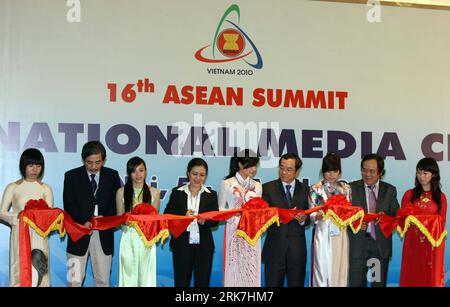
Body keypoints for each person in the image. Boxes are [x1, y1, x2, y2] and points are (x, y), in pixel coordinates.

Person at [63, 141, 121, 287]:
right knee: (73, 281)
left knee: (103, 281)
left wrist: (105, 220)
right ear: (83, 160)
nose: (94, 167)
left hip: (103, 236)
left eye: (98, 162)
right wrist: (84, 221)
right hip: (78, 234)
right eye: (89, 162)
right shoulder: (71, 176)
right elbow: (69, 205)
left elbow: (116, 205)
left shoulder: (112, 176)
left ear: (104, 160)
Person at [0, 148, 54, 287]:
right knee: (19, 268)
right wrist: (19, 217)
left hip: (40, 235)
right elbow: (2, 212)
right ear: (23, 166)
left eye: (38, 166)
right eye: (31, 165)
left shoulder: (45, 188)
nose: (34, 169)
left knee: (40, 269)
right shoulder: (13, 187)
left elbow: (50, 215)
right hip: (20, 234)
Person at [164, 158, 218, 287]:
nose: (198, 178)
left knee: (203, 282)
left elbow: (215, 219)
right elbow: (167, 213)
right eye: (195, 174)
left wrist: (205, 221)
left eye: (202, 175)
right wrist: (183, 216)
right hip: (182, 244)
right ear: (188, 173)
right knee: (181, 282)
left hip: (204, 246)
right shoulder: (177, 192)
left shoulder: (211, 194)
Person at [348, 153, 399, 287]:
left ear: (380, 172)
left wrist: (385, 218)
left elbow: (396, 216)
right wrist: (355, 223)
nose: (367, 174)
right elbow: (343, 217)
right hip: (357, 246)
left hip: (379, 247)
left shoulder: (390, 190)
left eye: (372, 171)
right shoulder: (350, 189)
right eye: (364, 170)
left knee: (378, 284)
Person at [262, 153, 309, 287]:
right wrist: (280, 216)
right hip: (275, 250)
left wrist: (302, 220)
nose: (284, 172)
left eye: (289, 169)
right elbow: (263, 218)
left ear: (297, 171)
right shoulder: (267, 188)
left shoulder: (306, 190)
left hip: (297, 251)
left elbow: (309, 219)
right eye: (281, 168)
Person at [399, 157, 447, 287]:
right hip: (413, 242)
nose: (421, 176)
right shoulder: (409, 195)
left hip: (432, 244)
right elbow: (402, 219)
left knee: (431, 276)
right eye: (419, 172)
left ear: (434, 175)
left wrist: (420, 220)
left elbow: (441, 223)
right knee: (412, 273)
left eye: (425, 173)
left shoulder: (440, 197)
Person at [219, 149, 262, 287]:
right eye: (250, 165)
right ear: (239, 164)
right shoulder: (227, 183)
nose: (253, 169)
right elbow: (220, 209)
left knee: (251, 267)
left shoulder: (257, 186)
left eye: (255, 165)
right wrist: (233, 212)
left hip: (252, 232)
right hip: (234, 228)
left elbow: (260, 210)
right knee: (234, 266)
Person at [116, 157, 160, 287]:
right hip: (128, 238)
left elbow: (155, 219)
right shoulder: (121, 192)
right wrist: (126, 220)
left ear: (146, 171)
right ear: (129, 173)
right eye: (134, 171)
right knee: (128, 276)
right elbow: (119, 218)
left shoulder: (154, 192)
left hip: (147, 239)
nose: (138, 175)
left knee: (147, 276)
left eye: (141, 170)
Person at [308, 152, 351, 287]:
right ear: (323, 171)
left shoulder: (345, 188)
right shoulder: (315, 189)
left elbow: (349, 212)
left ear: (339, 171)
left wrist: (340, 212)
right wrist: (326, 212)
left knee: (340, 267)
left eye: (334, 171)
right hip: (322, 231)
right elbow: (311, 215)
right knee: (321, 268)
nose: (331, 174)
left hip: (340, 232)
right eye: (328, 171)